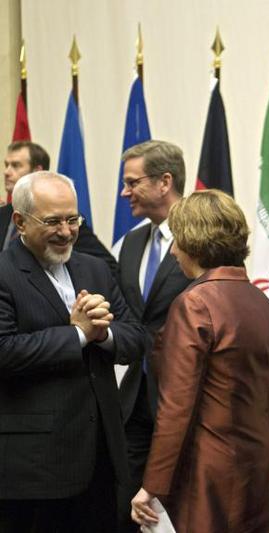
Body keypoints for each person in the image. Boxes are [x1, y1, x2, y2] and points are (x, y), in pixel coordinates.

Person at [0, 171, 146, 532]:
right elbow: (4, 351)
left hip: (101, 455)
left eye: (72, 219)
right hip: (34, 467)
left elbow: (136, 337)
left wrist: (102, 334)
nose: (66, 232)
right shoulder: (4, 273)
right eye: (52, 221)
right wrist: (77, 334)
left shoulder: (93, 268)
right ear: (20, 221)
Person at [131, 190, 269, 533]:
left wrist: (152, 486)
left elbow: (175, 407)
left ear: (194, 242)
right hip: (257, 464)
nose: (172, 250)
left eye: (178, 240)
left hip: (207, 470)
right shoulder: (264, 305)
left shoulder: (195, 304)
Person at [115, 140, 192, 532]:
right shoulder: (129, 243)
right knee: (129, 507)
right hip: (134, 400)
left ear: (165, 182)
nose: (124, 192)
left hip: (185, 399)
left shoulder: (200, 237)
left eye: (132, 182)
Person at [2, 141, 118, 273]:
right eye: (6, 165)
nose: (6, 172)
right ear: (19, 221)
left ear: (37, 171)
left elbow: (107, 267)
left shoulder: (66, 221)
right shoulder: (3, 214)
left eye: (15, 166)